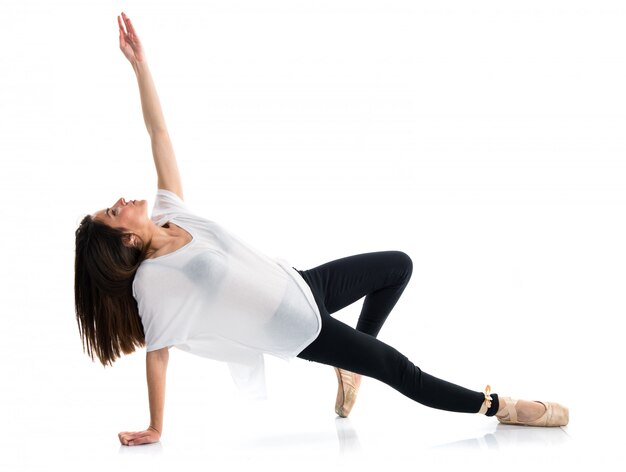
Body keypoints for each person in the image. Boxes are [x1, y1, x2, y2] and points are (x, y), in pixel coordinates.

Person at [74, 12, 569, 448]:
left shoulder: (171, 214)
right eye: (113, 214)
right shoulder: (153, 281)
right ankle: (500, 407)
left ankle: (352, 369)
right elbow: (158, 354)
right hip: (299, 327)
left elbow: (159, 133)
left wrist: (140, 66)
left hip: (302, 283)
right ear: (127, 242)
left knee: (397, 266)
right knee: (401, 371)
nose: (120, 203)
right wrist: (155, 426)